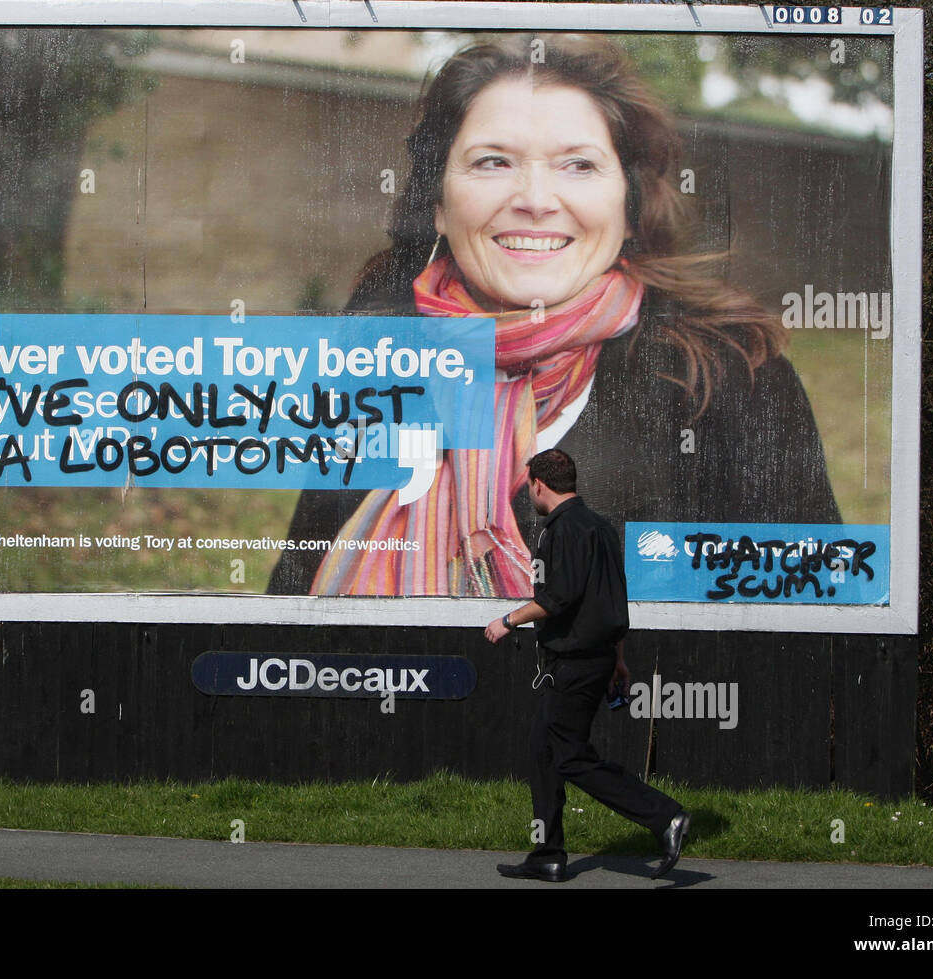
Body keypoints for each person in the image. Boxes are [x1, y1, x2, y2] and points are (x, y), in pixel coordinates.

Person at [268, 37, 838, 597]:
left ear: (629, 207)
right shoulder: (378, 354)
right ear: (439, 204)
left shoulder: (727, 376)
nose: (536, 199)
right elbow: (296, 588)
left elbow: (806, 632)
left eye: (579, 165)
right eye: (493, 162)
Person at [484, 448, 690, 882]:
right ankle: (548, 854)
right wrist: (618, 660)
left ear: (539, 484)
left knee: (571, 757)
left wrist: (507, 620)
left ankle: (664, 816)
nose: (530, 495)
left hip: (574, 664)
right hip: (595, 659)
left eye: (530, 487)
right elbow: (613, 602)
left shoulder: (559, 531)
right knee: (543, 752)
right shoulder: (599, 527)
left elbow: (557, 598)